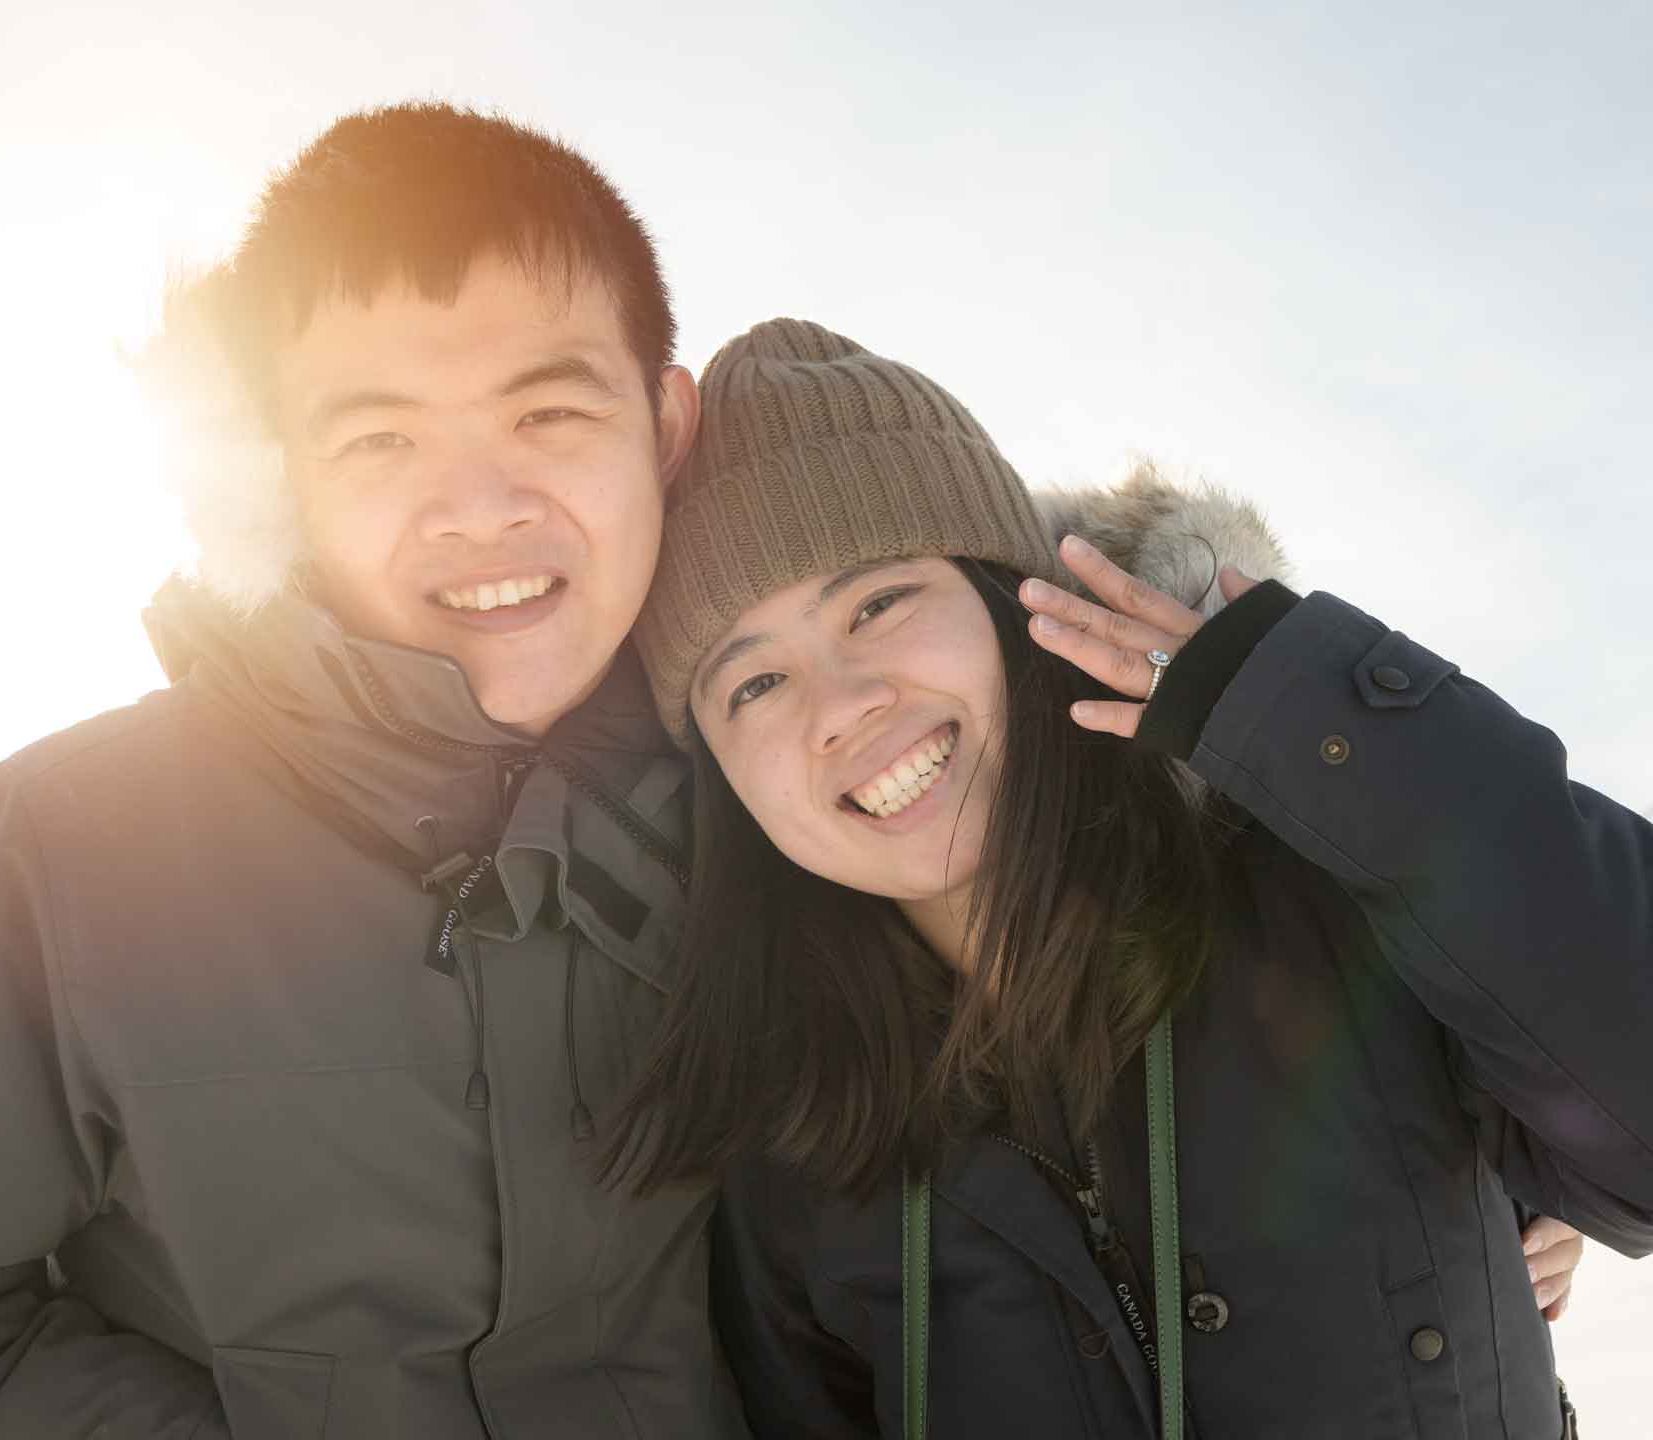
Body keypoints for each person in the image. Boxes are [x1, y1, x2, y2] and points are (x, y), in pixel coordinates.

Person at [0, 103, 739, 1439]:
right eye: (380, 439)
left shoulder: (784, 808)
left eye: (550, 410)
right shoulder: (57, 865)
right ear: (280, 477)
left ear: (664, 427)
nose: (479, 508)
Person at [613, 319, 1643, 1437]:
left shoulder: (1329, 894)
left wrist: (1304, 715)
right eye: (752, 684)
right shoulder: (792, 1161)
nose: (841, 705)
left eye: (877, 604)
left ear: (1019, 611)